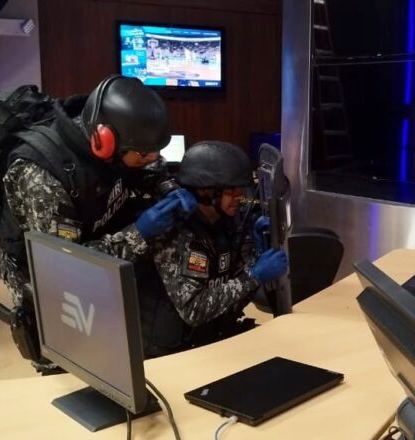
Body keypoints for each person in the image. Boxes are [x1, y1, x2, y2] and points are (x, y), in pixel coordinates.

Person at [0, 74, 195, 372]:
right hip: (51, 287)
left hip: (99, 256)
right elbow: (67, 269)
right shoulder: (40, 177)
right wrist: (140, 233)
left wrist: (171, 191)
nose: (152, 158)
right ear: (104, 141)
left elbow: (151, 170)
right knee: (72, 370)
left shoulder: (128, 142)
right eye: (143, 154)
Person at [91, 141, 289, 358]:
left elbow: (231, 296)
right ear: (206, 191)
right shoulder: (175, 232)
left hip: (210, 345)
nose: (239, 195)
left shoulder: (226, 223)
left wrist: (255, 257)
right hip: (167, 359)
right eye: (231, 190)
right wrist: (255, 275)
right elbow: (195, 309)